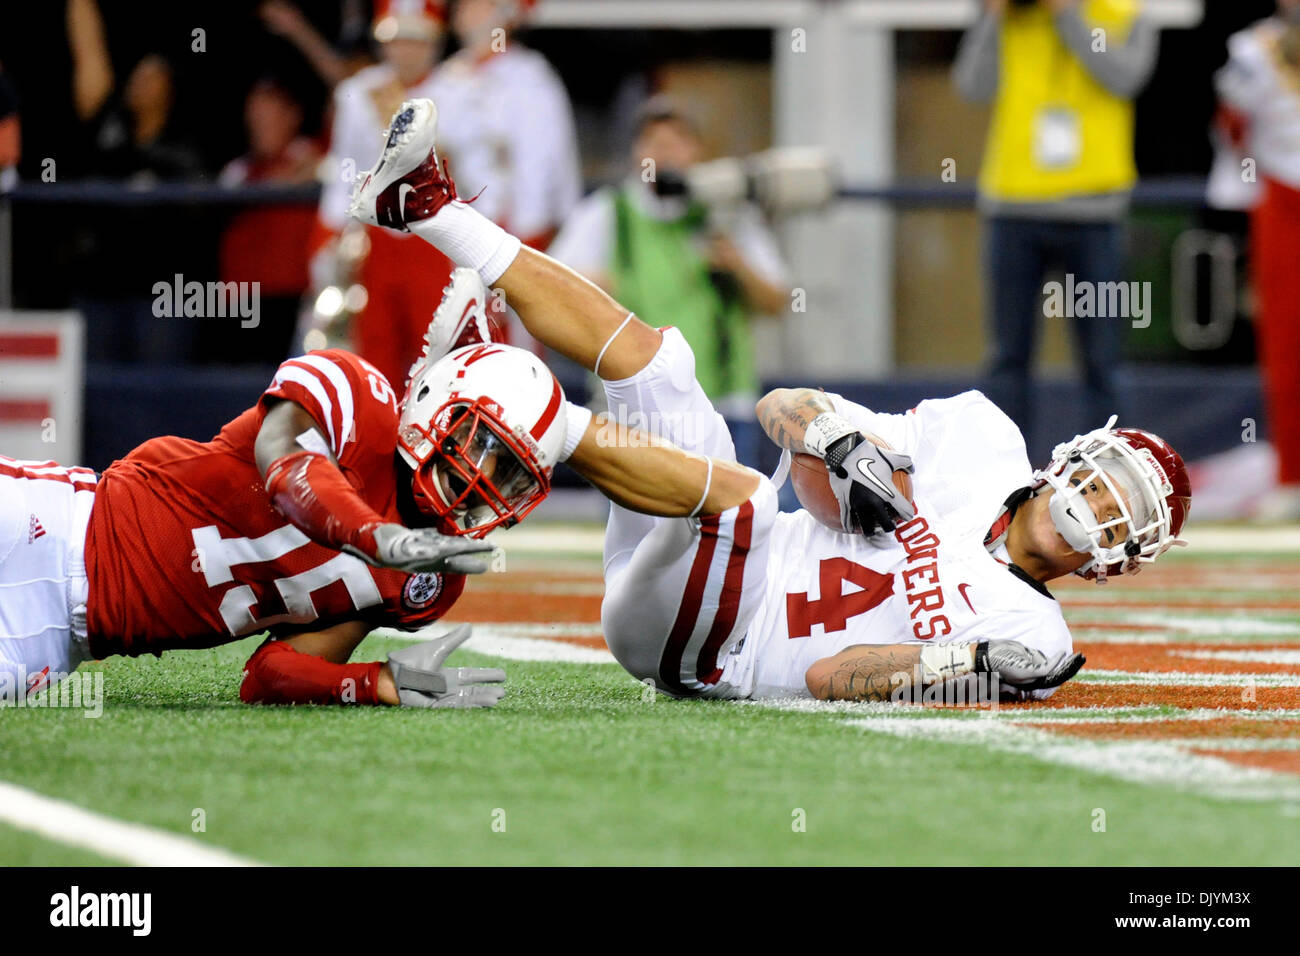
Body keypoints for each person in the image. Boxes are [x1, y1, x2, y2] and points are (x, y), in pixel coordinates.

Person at [345, 98, 1191, 702]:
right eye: (1110, 480)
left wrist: (953, 667)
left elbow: (828, 678)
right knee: (660, 365)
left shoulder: (1039, 641)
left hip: (721, 645)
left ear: (1127, 559)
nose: (1101, 506)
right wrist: (829, 436)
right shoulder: (980, 437)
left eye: (1125, 512)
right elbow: (783, 408)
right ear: (1076, 456)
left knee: (743, 498)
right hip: (691, 552)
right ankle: (428, 209)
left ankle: (519, 417)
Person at [953, 0, 1158, 445]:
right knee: (1007, 358)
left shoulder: (1123, 12)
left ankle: (1108, 475)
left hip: (1093, 211)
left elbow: (1125, 78)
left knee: (1103, 360)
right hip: (1013, 207)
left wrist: (1068, 14)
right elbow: (972, 86)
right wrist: (992, 17)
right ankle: (1004, 481)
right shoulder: (1007, 15)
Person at [548, 97, 790, 468]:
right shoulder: (607, 213)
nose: (664, 154)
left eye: (676, 142)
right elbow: (551, 289)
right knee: (637, 524)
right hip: (633, 407)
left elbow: (777, 301)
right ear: (636, 151)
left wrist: (737, 265)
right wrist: (590, 286)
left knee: (729, 523)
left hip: (721, 404)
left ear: (696, 150)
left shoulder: (726, 212)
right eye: (653, 143)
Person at [312, 0, 456, 389]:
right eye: (397, 39)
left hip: (439, 241)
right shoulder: (357, 93)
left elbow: (474, 177)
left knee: (442, 355)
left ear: (435, 42)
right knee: (372, 355)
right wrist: (328, 234)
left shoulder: (463, 90)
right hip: (375, 239)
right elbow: (345, 169)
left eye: (417, 40)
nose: (406, 50)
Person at [425, 0, 582, 350]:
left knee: (520, 345)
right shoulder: (446, 79)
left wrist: (533, 234)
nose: (466, 15)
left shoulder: (531, 77)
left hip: (515, 233)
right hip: (454, 230)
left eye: (479, 6)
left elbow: (545, 165)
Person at [1215, 1, 1300, 521]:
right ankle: (1291, 473)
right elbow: (1231, 125)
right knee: (1287, 343)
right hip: (1283, 198)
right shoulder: (1251, 49)